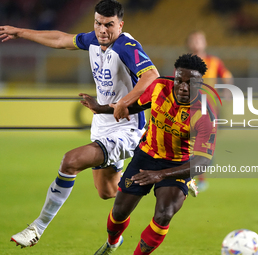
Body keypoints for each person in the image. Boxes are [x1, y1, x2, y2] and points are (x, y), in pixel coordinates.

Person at [0, 0, 160, 248]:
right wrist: (19, 32)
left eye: (109, 25)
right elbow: (60, 39)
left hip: (126, 128)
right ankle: (163, 175)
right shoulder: (94, 39)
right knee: (107, 192)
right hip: (102, 126)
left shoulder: (127, 46)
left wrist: (125, 102)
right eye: (98, 23)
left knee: (70, 161)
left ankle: (37, 227)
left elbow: (152, 76)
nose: (102, 30)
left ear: (120, 24)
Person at [85, 53, 217, 254]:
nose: (183, 87)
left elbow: (201, 162)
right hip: (146, 155)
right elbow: (135, 106)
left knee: (164, 214)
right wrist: (101, 108)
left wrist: (161, 175)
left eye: (190, 83)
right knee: (120, 212)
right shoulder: (159, 87)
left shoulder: (205, 113)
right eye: (179, 80)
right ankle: (112, 242)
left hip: (176, 164)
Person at [186, 30, 233, 192]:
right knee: (188, 142)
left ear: (205, 43)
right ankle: (190, 177)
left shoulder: (214, 61)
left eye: (200, 40)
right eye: (194, 40)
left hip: (209, 107)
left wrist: (227, 90)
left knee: (204, 142)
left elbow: (226, 75)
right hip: (190, 107)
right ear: (190, 43)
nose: (197, 43)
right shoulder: (185, 63)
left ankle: (200, 179)